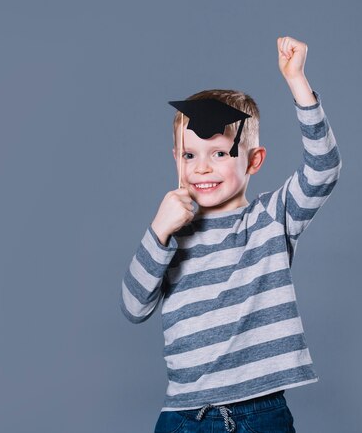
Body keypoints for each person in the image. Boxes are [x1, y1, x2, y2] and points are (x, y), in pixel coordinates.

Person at [120, 36, 342, 432]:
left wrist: (297, 81)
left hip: (255, 415)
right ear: (176, 158)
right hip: (181, 415)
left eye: (220, 153)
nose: (202, 168)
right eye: (190, 155)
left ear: (253, 160)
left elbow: (323, 168)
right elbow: (134, 307)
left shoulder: (272, 218)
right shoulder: (170, 233)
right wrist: (158, 230)